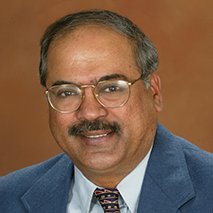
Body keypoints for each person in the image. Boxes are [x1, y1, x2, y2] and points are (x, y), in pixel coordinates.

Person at [0, 9, 212, 213]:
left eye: (111, 88)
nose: (90, 113)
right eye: (67, 93)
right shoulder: (6, 198)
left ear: (154, 92)